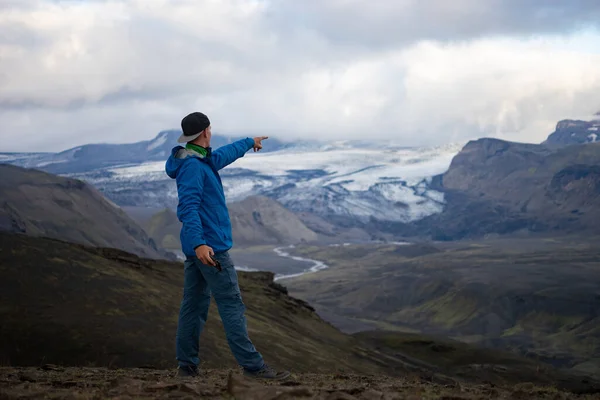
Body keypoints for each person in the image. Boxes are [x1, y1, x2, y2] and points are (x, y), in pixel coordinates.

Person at [165, 111, 290, 380]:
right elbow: (189, 207)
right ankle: (253, 368)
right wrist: (200, 243)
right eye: (210, 128)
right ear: (206, 132)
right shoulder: (194, 167)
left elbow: (221, 156)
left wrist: (248, 142)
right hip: (210, 249)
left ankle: (187, 367)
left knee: (193, 306)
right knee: (231, 305)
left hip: (199, 249)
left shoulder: (197, 158)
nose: (212, 131)